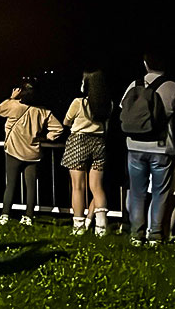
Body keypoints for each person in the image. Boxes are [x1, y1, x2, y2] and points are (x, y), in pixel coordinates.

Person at [120, 52, 175, 247]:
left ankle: (136, 234)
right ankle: (155, 234)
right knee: (160, 192)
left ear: (145, 63)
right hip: (161, 148)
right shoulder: (174, 88)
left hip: (134, 146)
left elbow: (123, 110)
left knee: (137, 192)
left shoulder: (134, 85)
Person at [0, 79, 64, 226]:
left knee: (11, 185)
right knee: (31, 187)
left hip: (13, 151)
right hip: (33, 153)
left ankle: (5, 215)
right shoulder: (43, 111)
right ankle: (28, 216)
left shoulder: (14, 106)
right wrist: (46, 137)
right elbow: (58, 129)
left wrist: (12, 97)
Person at [61, 70, 112, 236]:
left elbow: (66, 121)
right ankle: (101, 226)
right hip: (99, 142)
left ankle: (78, 225)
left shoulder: (79, 102)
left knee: (78, 187)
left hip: (78, 141)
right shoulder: (108, 104)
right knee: (97, 187)